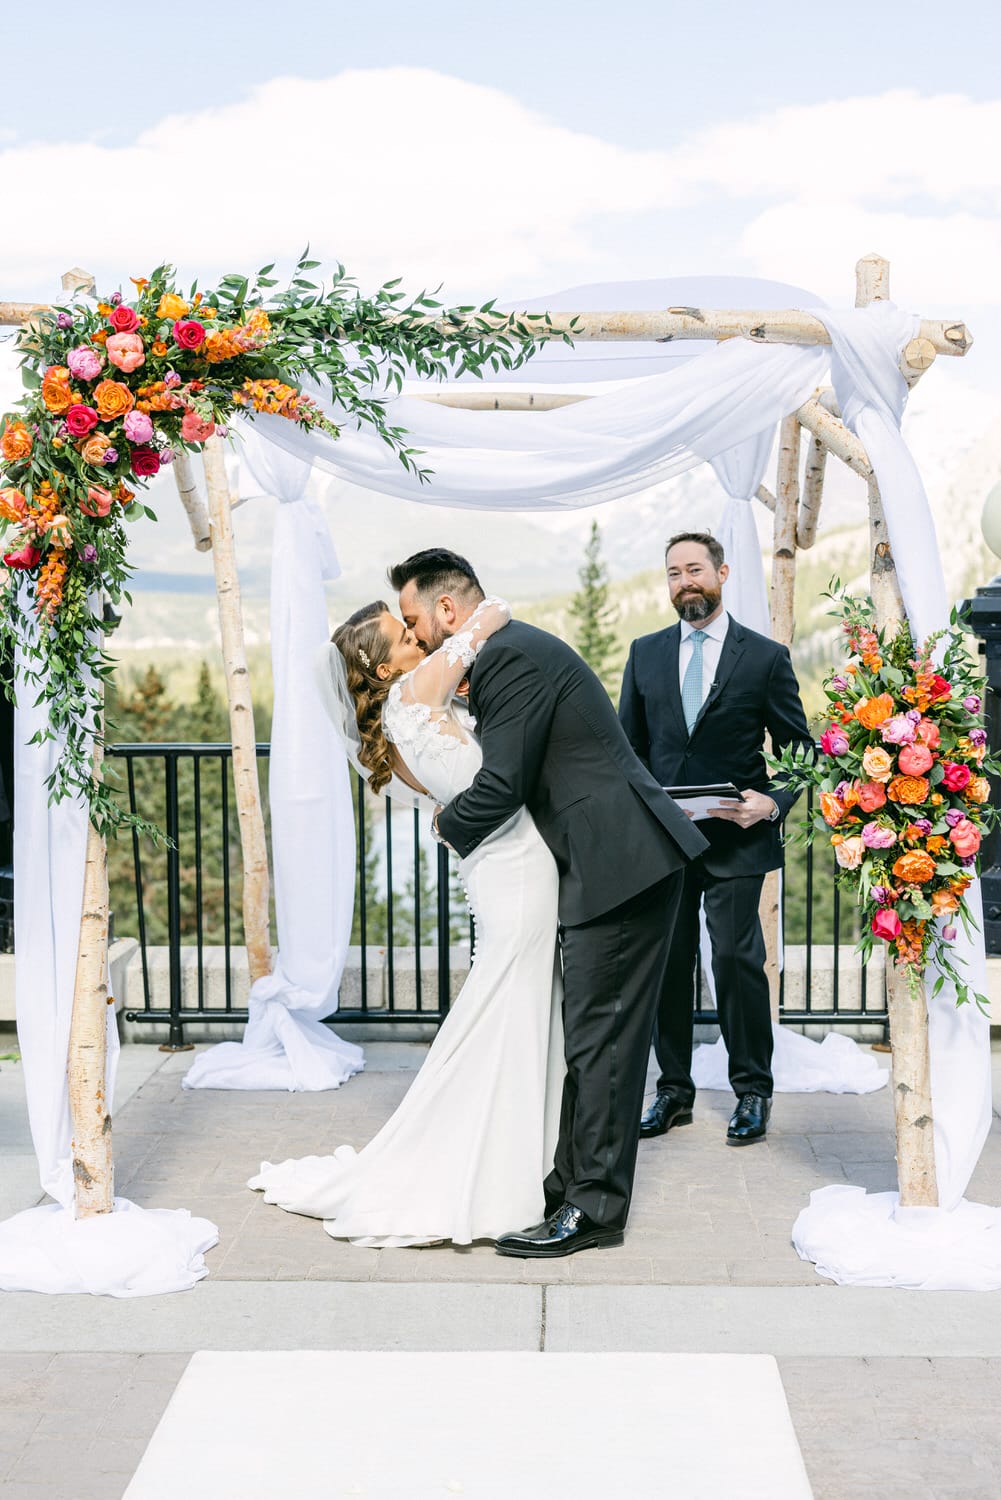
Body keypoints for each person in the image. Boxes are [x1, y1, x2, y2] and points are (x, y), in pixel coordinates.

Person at [397, 548, 708, 1259]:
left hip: (619, 862)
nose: (415, 638)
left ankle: (593, 1209)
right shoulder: (504, 651)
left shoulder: (508, 657)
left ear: (448, 609)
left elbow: (504, 781)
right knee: (590, 1036)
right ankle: (567, 1188)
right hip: (606, 861)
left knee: (603, 1041)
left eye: (416, 619)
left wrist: (448, 825)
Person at [249, 592, 566, 1246]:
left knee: (517, 1006)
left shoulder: (399, 722)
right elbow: (491, 614)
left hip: (506, 869)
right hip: (516, 868)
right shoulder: (415, 695)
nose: (419, 640)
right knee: (513, 1006)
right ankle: (505, 1168)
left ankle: (526, 1157)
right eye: (403, 636)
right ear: (383, 667)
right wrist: (455, 612)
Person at [618, 531, 812, 1146]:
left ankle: (753, 1090)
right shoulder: (645, 653)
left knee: (733, 960)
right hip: (666, 842)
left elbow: (800, 749)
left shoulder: (764, 658)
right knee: (668, 966)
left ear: (722, 574)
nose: (684, 582)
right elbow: (630, 750)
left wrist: (773, 802)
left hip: (737, 839)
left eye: (694, 569)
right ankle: (672, 1091)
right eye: (673, 573)